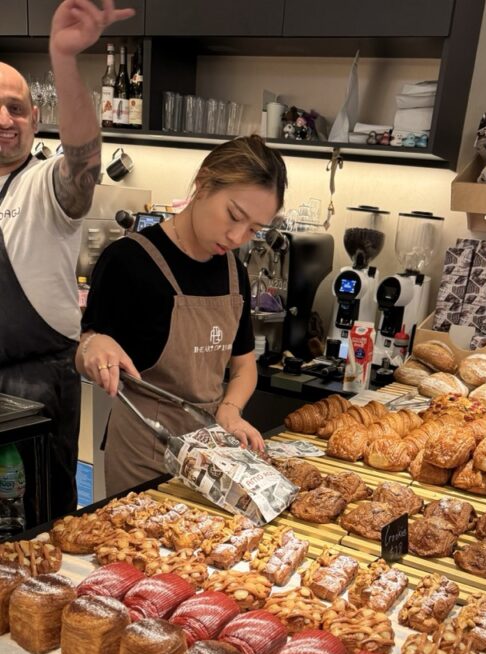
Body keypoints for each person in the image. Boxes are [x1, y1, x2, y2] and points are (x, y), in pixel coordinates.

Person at [77, 134, 288, 495]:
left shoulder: (234, 272)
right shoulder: (128, 261)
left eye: (254, 229)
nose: (237, 236)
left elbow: (243, 366)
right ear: (203, 183)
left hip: (208, 452)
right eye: (234, 216)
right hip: (142, 450)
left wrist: (231, 410)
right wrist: (94, 347)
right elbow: (84, 350)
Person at [0, 0, 134, 519]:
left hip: (37, 389)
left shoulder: (44, 184)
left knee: (38, 529)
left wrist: (64, 59)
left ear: (36, 117)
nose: (5, 119)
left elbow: (83, 159)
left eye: (16, 107)